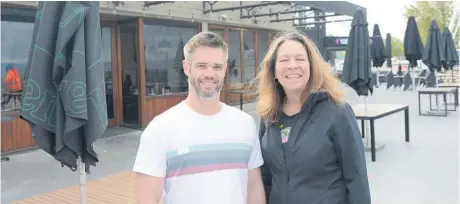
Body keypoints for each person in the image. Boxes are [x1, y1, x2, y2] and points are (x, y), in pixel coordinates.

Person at [133, 31, 266, 204]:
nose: (209, 74)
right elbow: (147, 198)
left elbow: (254, 186)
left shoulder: (245, 124)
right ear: (186, 67)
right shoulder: (161, 128)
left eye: (217, 67)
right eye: (202, 66)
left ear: (225, 69)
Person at [256, 31, 371, 204]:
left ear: (312, 66)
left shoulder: (337, 112)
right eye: (284, 60)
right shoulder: (269, 116)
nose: (292, 65)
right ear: (273, 70)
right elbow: (264, 178)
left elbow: (356, 179)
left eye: (300, 59)